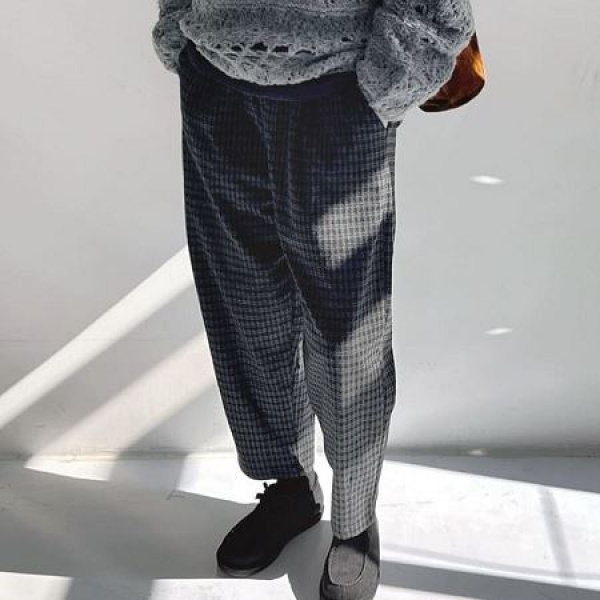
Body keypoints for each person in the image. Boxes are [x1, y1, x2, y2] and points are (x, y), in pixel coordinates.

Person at [152, 2, 476, 599]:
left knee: (347, 333)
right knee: (244, 302)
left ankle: (354, 522)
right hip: (215, 81)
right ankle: (290, 486)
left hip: (337, 90)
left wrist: (383, 85)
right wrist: (182, 33)